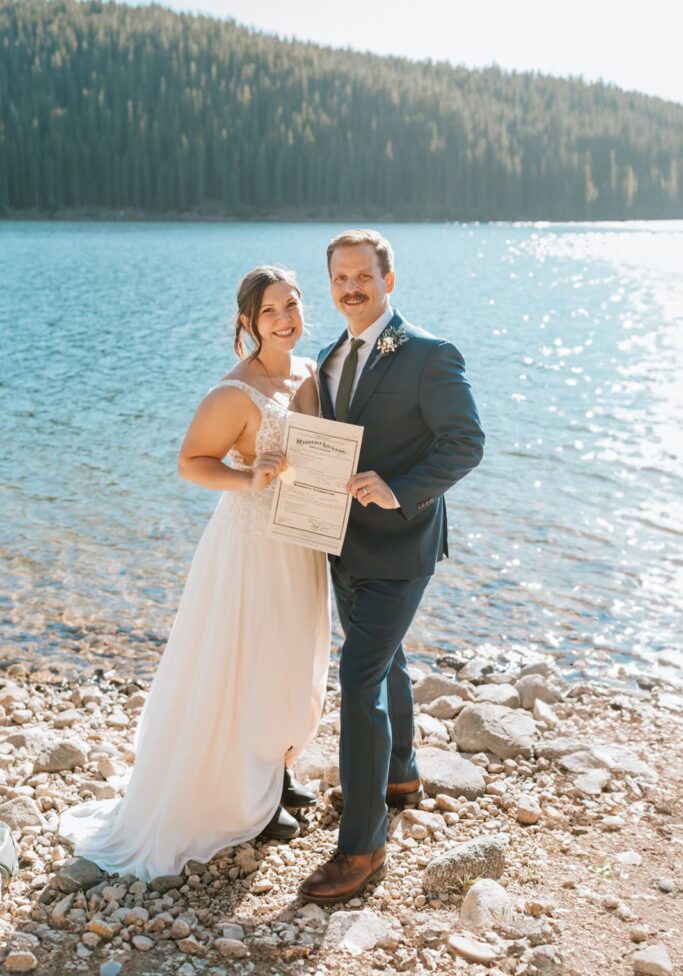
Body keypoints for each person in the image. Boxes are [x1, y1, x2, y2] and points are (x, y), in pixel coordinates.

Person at [59, 266, 330, 881]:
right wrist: (246, 478)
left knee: (295, 654)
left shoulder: (310, 371)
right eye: (270, 312)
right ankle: (241, 798)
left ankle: (276, 771)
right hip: (251, 542)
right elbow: (190, 463)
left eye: (293, 304)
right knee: (247, 657)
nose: (287, 318)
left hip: (300, 541)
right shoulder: (233, 393)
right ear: (247, 323)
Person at [299, 230, 485, 905]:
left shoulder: (428, 355)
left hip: (401, 548)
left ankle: (362, 843)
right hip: (341, 545)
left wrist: (399, 487)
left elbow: (465, 443)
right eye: (340, 278)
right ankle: (400, 774)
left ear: (388, 280)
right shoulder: (324, 358)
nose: (351, 288)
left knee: (357, 678)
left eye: (363, 276)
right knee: (387, 661)